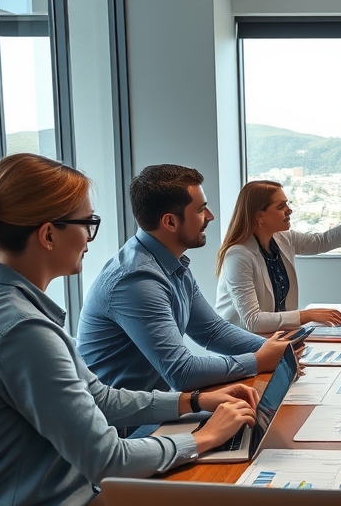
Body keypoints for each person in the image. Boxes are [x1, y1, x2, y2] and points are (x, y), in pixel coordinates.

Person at [0, 154, 260, 506]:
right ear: (48, 234)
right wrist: (204, 437)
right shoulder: (20, 328)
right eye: (86, 223)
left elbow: (99, 397)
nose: (92, 238)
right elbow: (108, 460)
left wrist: (192, 400)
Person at [78, 164, 293, 393]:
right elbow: (182, 372)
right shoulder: (137, 281)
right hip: (127, 425)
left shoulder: (171, 264)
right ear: (170, 222)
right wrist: (259, 360)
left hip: (157, 407)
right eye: (201, 210)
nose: (210, 216)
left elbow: (213, 331)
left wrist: (278, 349)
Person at [215, 180, 341, 332]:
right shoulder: (238, 256)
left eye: (287, 204)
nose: (289, 210)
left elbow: (323, 241)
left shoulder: (283, 239)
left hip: (274, 337)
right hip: (243, 343)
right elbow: (253, 321)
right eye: (281, 206)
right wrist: (307, 315)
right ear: (259, 216)